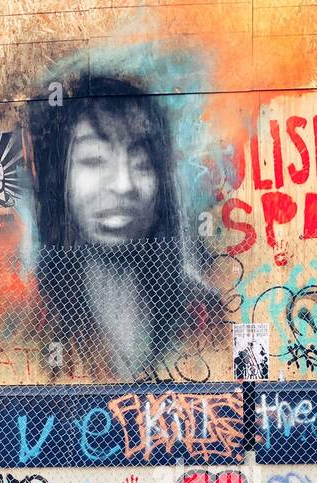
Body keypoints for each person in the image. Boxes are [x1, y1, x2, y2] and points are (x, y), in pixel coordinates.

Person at [27, 74, 223, 381]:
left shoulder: (201, 315)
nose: (124, 185)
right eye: (94, 160)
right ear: (59, 179)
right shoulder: (30, 320)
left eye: (143, 164)